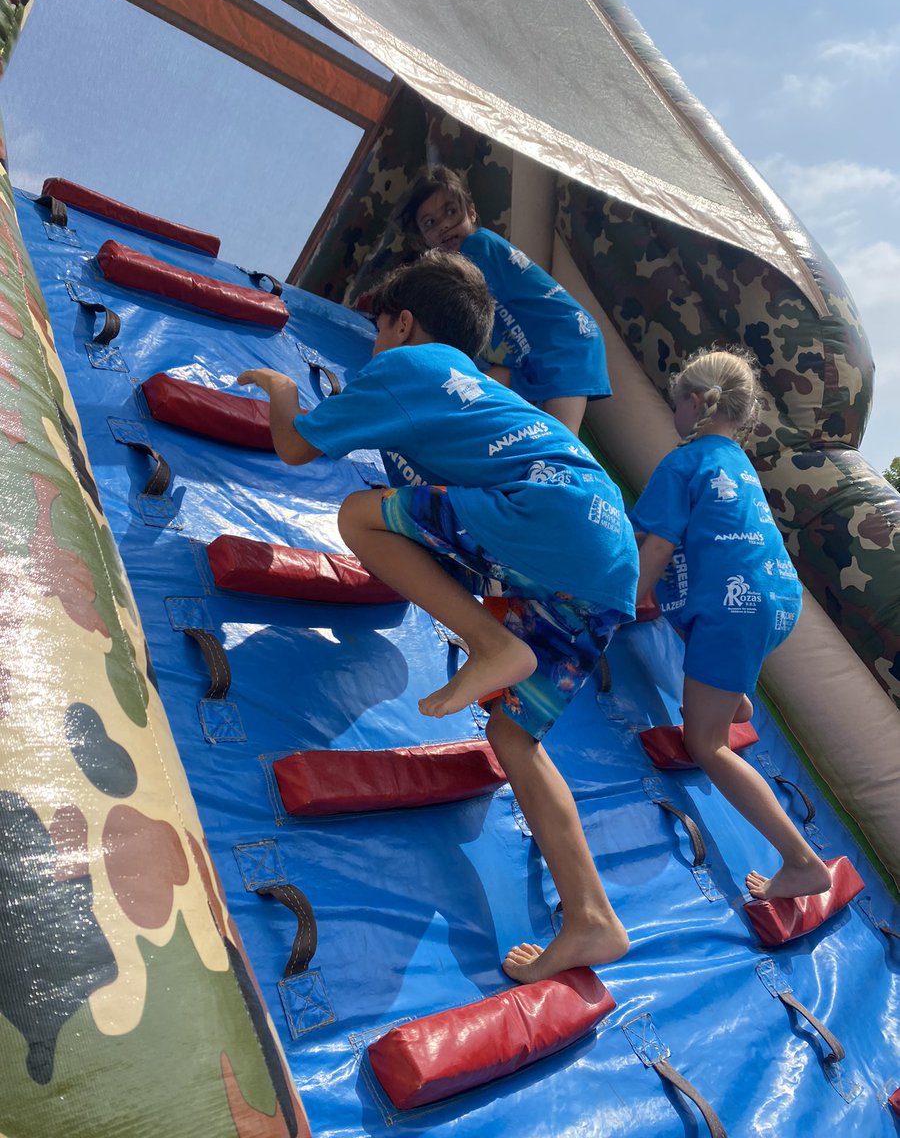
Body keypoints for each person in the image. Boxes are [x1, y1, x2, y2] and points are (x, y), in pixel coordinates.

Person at [238, 250, 639, 982]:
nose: (373, 346)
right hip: (604, 550)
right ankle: (591, 917)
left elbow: (296, 447)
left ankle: (491, 643)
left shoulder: (407, 366)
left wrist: (281, 389)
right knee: (514, 736)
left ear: (403, 322)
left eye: (376, 330)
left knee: (360, 515)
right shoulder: (481, 387)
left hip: (548, 518)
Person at [631, 347, 832, 902]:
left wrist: (619, 603)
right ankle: (735, 698)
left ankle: (801, 862)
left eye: (675, 404)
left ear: (694, 404)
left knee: (706, 742)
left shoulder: (683, 461)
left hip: (733, 611)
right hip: (775, 598)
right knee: (694, 600)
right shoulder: (737, 462)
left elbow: (655, 550)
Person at [393, 164, 610, 436]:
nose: (445, 225)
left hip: (565, 342)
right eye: (430, 223)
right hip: (527, 355)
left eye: (451, 212)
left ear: (471, 212)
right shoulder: (464, 261)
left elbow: (445, 306)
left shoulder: (477, 247)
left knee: (562, 437)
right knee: (470, 389)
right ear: (424, 238)